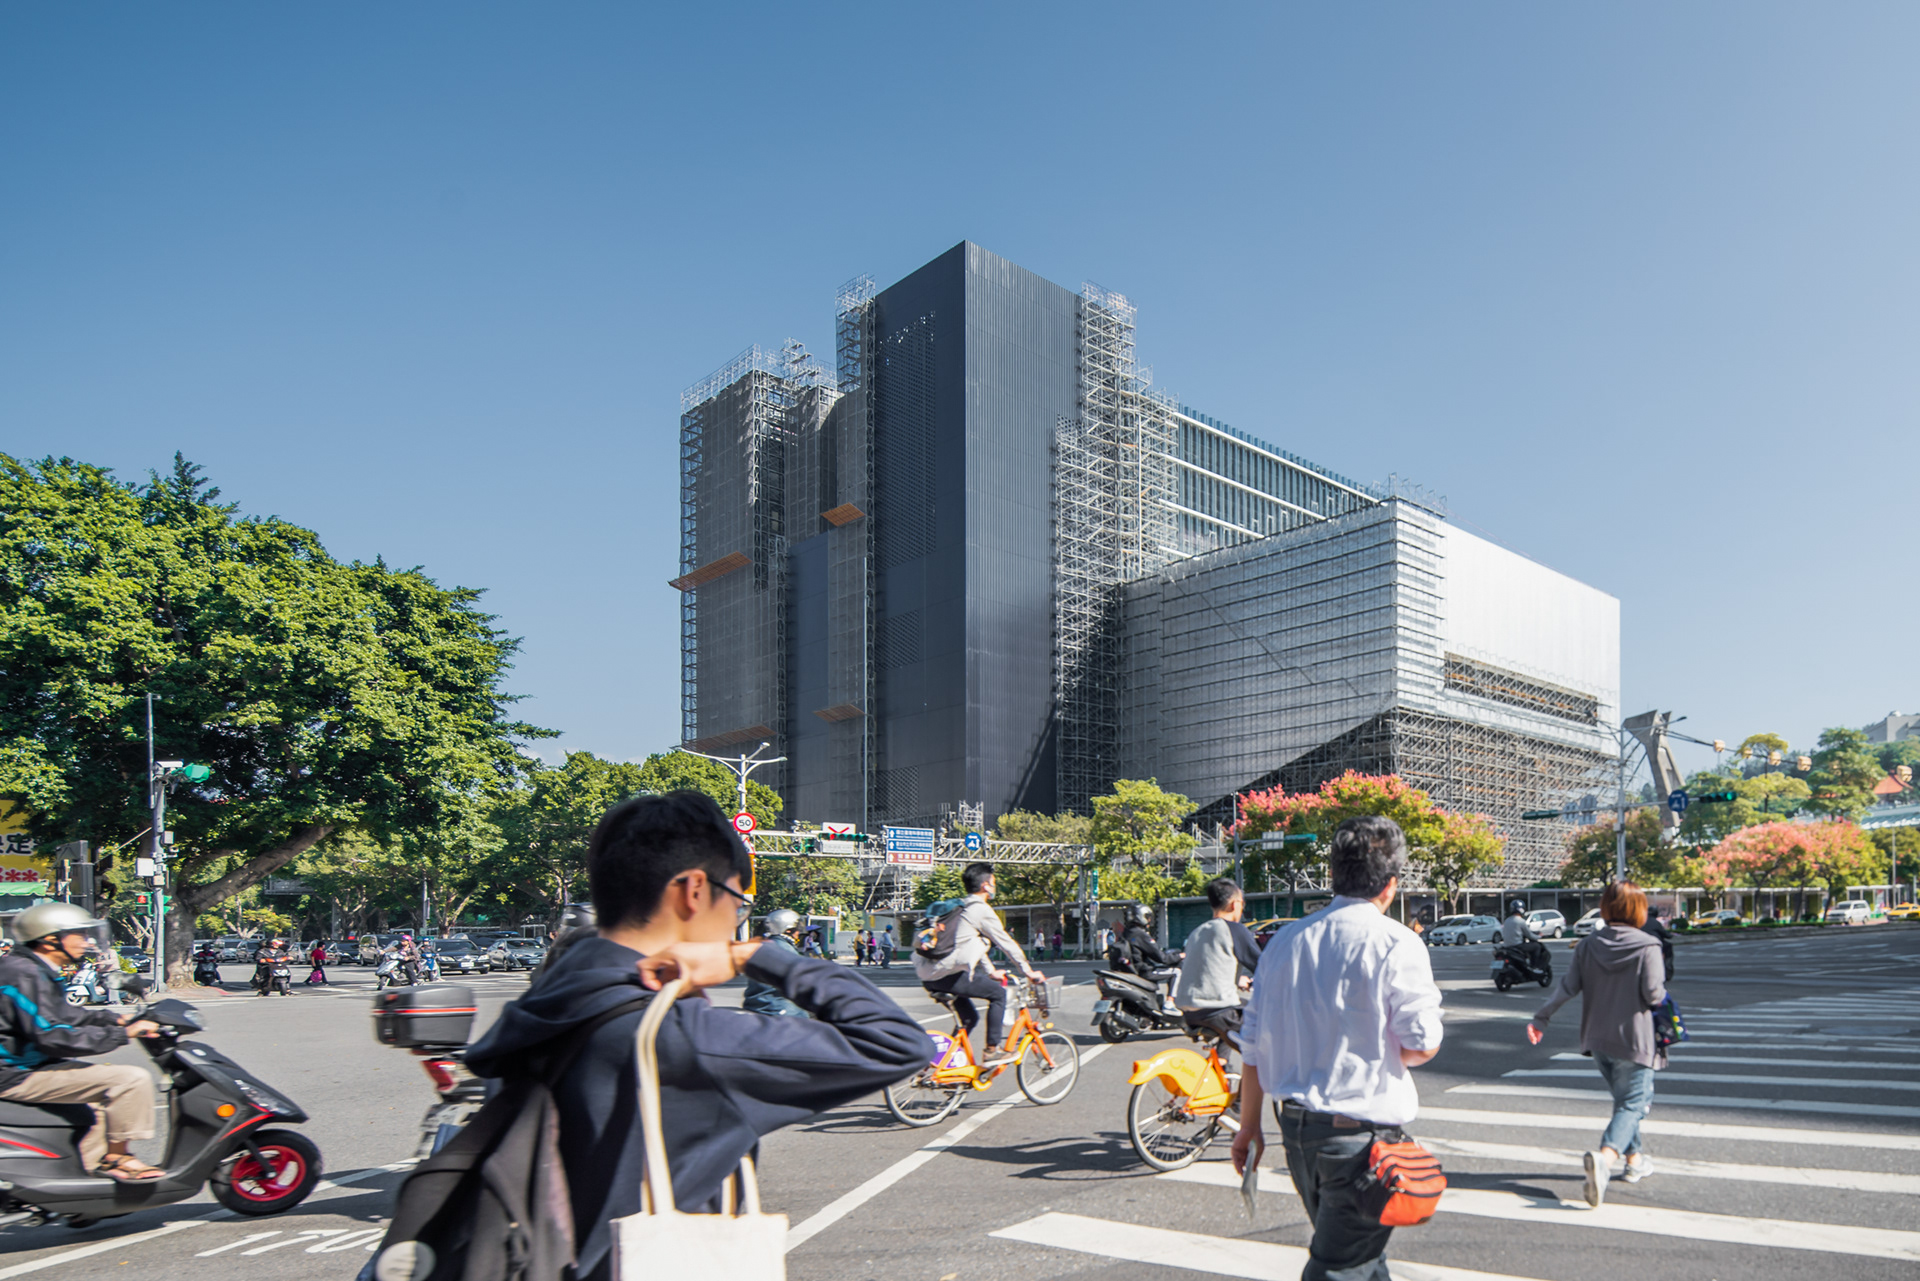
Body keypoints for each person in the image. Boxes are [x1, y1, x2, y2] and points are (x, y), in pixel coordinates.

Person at [464, 791, 928, 1281]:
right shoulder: (686, 1037)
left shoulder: (546, 1002)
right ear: (694, 891)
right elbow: (896, 1043)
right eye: (737, 903)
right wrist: (754, 956)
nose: (736, 921)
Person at [1231, 817, 1444, 1281]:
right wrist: (1386, 1052)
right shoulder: (1397, 942)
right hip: (1360, 1141)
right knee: (1342, 1267)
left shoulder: (1284, 942)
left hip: (1297, 1133)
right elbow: (1422, 1043)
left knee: (1362, 1258)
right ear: (1391, 884)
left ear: (1333, 874)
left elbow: (1253, 1047)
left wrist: (1248, 1126)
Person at [0, 903, 165, 1181]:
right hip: (14, 1073)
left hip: (24, 1065)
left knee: (101, 1104)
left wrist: (116, 1020)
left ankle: (85, 1178)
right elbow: (52, 1036)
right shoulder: (24, 974)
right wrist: (123, 1034)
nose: (87, 942)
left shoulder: (31, 967)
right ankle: (118, 1158)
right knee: (129, 1080)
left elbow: (64, 1014)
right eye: (80, 935)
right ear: (50, 939)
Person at [1528, 881, 1667, 1208]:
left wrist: (1541, 1018)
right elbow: (1654, 994)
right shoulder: (1648, 945)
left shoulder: (1588, 945)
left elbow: (1567, 987)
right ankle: (1605, 1160)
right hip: (1635, 1038)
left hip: (1598, 1039)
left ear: (1605, 908)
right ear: (1639, 909)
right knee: (1634, 1104)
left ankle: (1634, 1161)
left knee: (1624, 1102)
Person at [915, 861, 1047, 1065]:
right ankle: (992, 1051)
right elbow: (1005, 942)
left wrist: (991, 971)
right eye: (994, 882)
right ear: (986, 885)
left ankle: (945, 1064)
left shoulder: (959, 907)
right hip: (948, 975)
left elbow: (971, 943)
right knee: (998, 994)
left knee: (969, 1018)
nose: (995, 886)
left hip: (929, 976)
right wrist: (1028, 971)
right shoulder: (980, 909)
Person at [1174, 877, 1263, 1041]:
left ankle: (1221, 1057)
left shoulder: (1197, 931)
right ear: (1234, 904)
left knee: (1239, 1009)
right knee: (1266, 1027)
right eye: (1242, 904)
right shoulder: (1234, 929)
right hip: (1217, 1008)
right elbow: (1264, 966)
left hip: (1188, 1011)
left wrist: (1237, 980)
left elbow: (1206, 968)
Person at [743, 910, 809, 1017]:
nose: (798, 933)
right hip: (780, 1009)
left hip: (756, 1006)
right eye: (796, 929)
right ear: (788, 930)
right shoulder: (786, 951)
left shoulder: (764, 946)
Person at [1501, 899, 1550, 974]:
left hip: (1507, 946)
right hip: (1517, 946)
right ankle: (1534, 967)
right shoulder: (1521, 921)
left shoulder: (1507, 920)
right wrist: (1539, 936)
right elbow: (1530, 935)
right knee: (1536, 946)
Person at [1643, 904, 1675, 982]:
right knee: (1668, 947)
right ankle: (1667, 971)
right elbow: (1666, 935)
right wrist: (1670, 934)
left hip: (1641, 944)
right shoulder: (1656, 922)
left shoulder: (1641, 922)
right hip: (1655, 944)